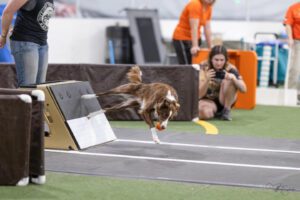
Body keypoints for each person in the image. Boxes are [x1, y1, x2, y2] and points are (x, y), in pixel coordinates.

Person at [0, 0, 54, 87]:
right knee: (28, 87)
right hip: (26, 42)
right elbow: (7, 11)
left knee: (40, 88)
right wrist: (3, 36)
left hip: (42, 43)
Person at [198, 45, 247, 121]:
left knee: (230, 80)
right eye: (216, 60)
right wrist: (207, 80)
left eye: (222, 60)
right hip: (208, 100)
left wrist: (234, 79)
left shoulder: (230, 68)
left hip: (224, 100)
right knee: (203, 113)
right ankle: (215, 112)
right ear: (211, 59)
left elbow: (244, 89)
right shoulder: (203, 67)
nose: (219, 63)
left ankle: (226, 111)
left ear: (226, 60)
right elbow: (199, 94)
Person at [172, 0, 216, 65]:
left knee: (195, 65)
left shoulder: (208, 7)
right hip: (182, 38)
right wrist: (195, 46)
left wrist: (210, 46)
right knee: (186, 65)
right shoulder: (195, 4)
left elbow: (207, 28)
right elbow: (194, 27)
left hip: (196, 38)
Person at [283, 2, 300, 104]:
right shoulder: (293, 8)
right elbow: (288, 24)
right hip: (298, 42)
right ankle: (291, 93)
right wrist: (290, 38)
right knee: (295, 69)